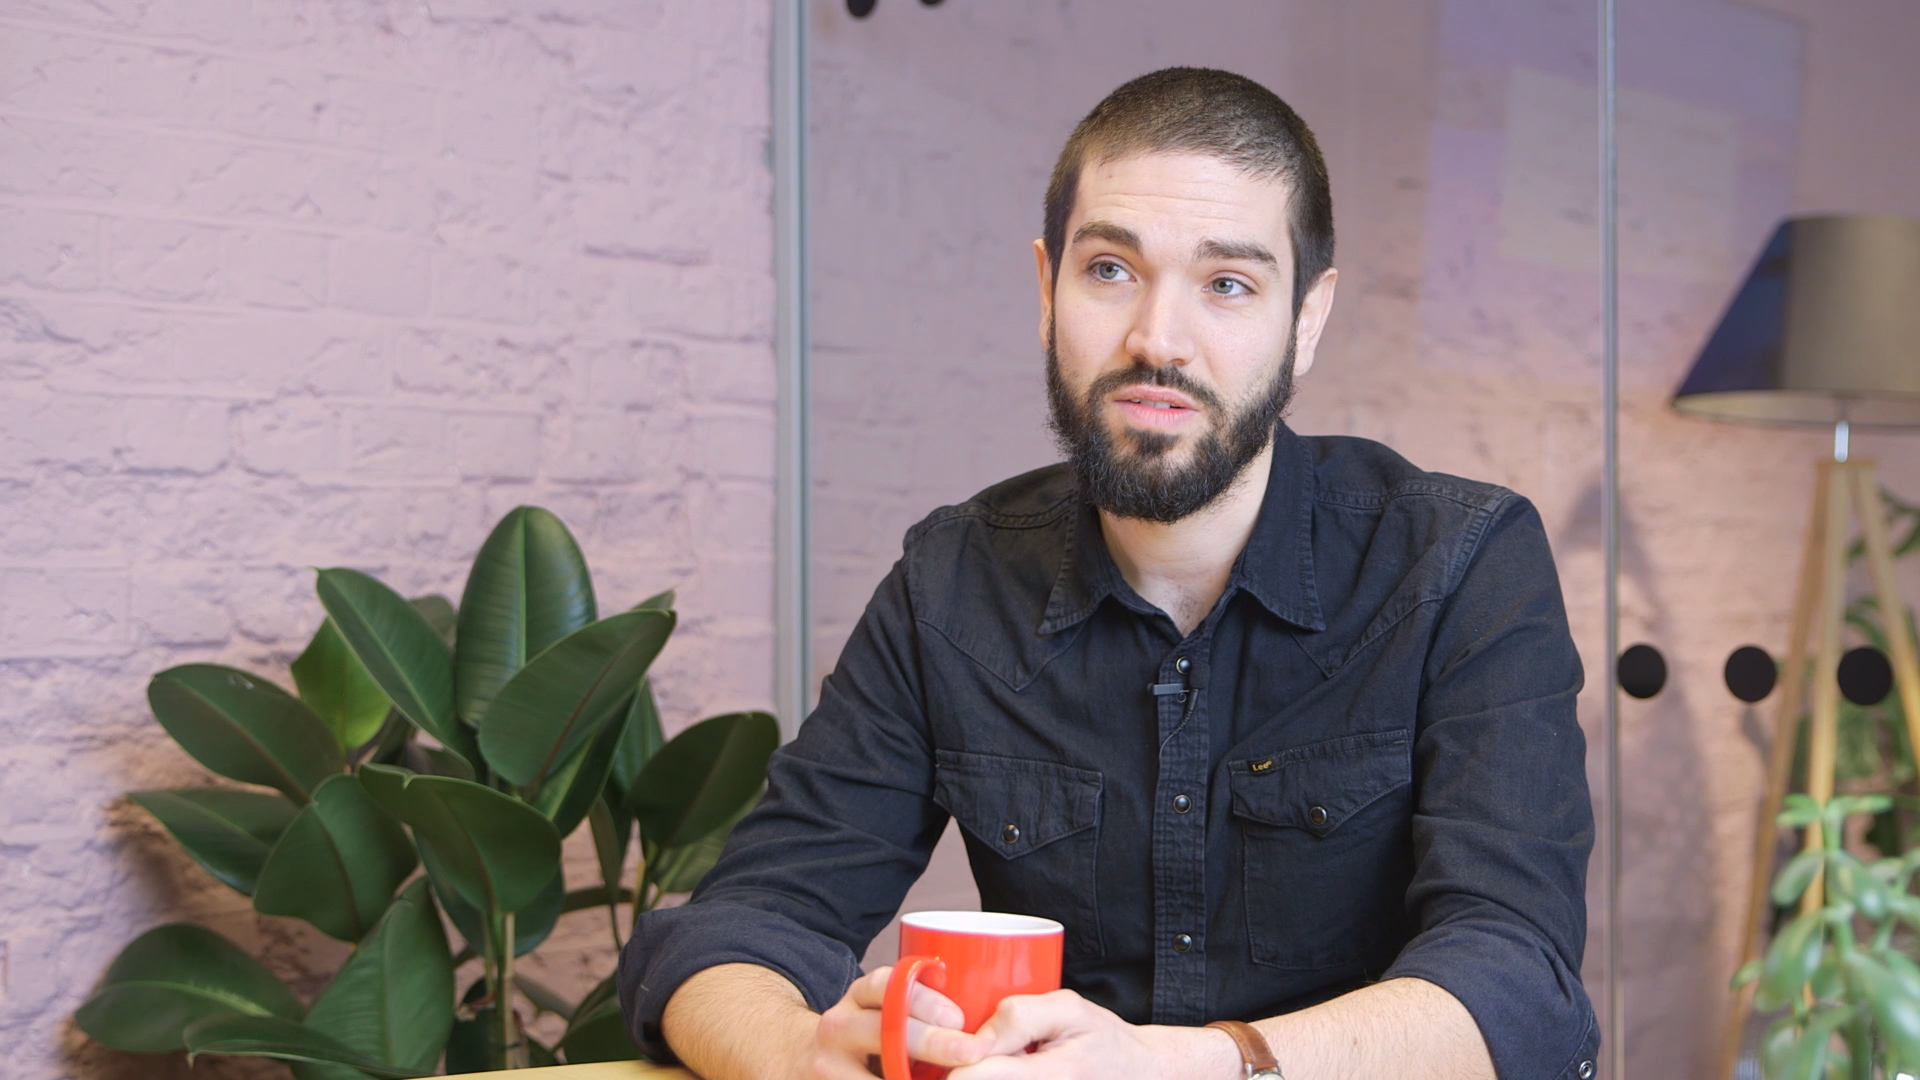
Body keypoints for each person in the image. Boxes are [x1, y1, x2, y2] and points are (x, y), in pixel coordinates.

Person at [619, 67, 1597, 1080]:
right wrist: (793, 1052)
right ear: (1048, 289)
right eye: (1110, 271)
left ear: (1305, 319)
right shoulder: (951, 582)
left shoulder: (1459, 563)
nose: (1156, 341)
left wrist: (1195, 1064)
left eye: (1227, 285)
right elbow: (740, 924)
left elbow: (1518, 983)